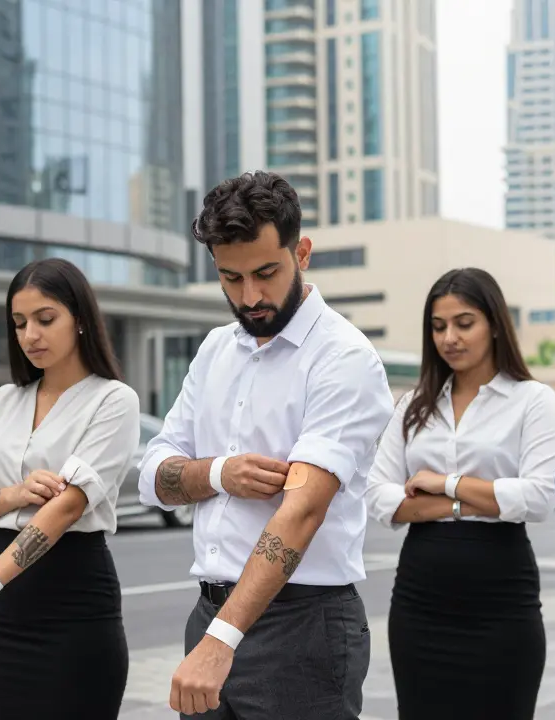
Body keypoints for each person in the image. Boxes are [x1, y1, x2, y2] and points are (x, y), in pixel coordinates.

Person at [136, 171, 394, 719]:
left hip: (302, 630)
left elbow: (300, 512)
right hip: (210, 613)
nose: (249, 296)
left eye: (266, 273)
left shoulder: (343, 359)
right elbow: (153, 476)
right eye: (231, 278)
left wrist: (220, 642)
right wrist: (218, 473)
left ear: (302, 251)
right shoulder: (213, 351)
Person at [363, 267, 555, 719]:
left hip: (502, 600)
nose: (449, 337)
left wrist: (443, 483)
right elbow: (379, 498)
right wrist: (467, 502)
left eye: (463, 323)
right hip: (421, 602)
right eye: (438, 326)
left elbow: (537, 499)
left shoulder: (533, 401)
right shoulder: (414, 404)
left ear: (494, 323)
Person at [0, 257, 139, 720]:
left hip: (74, 602)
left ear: (81, 320)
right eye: (19, 323)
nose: (31, 335)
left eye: (46, 319)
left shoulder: (113, 400)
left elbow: (68, 507)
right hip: (5, 615)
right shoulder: (4, 401)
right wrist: (13, 495)